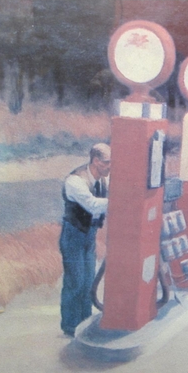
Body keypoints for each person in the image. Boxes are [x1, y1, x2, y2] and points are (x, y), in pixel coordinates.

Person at [59, 143, 111, 337]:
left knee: (88, 281)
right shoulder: (75, 181)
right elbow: (93, 205)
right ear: (96, 161)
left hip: (89, 235)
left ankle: (85, 323)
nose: (110, 166)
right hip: (73, 236)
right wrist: (120, 199)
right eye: (107, 162)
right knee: (75, 282)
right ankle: (70, 327)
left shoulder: (104, 178)